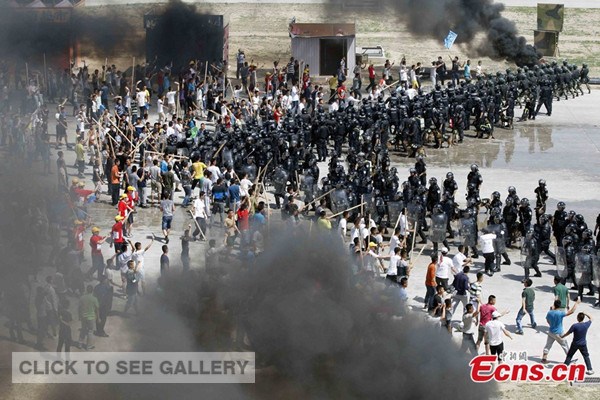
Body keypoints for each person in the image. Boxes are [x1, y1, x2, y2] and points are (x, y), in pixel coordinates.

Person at [542, 299, 580, 363]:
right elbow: (571, 311)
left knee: (548, 345)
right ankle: (569, 360)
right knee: (565, 346)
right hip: (559, 333)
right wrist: (577, 303)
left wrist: (551, 325)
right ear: (559, 306)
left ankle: (544, 359)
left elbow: (547, 320)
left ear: (554, 304)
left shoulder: (550, 312)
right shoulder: (560, 313)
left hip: (551, 332)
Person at [78, 285, 99, 350]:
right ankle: (88, 346)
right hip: (91, 317)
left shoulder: (82, 298)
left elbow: (79, 308)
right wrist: (98, 318)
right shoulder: (94, 299)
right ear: (92, 291)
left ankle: (80, 344)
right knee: (90, 332)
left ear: (86, 290)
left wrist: (79, 316)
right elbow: (97, 309)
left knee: (83, 330)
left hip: (83, 317)